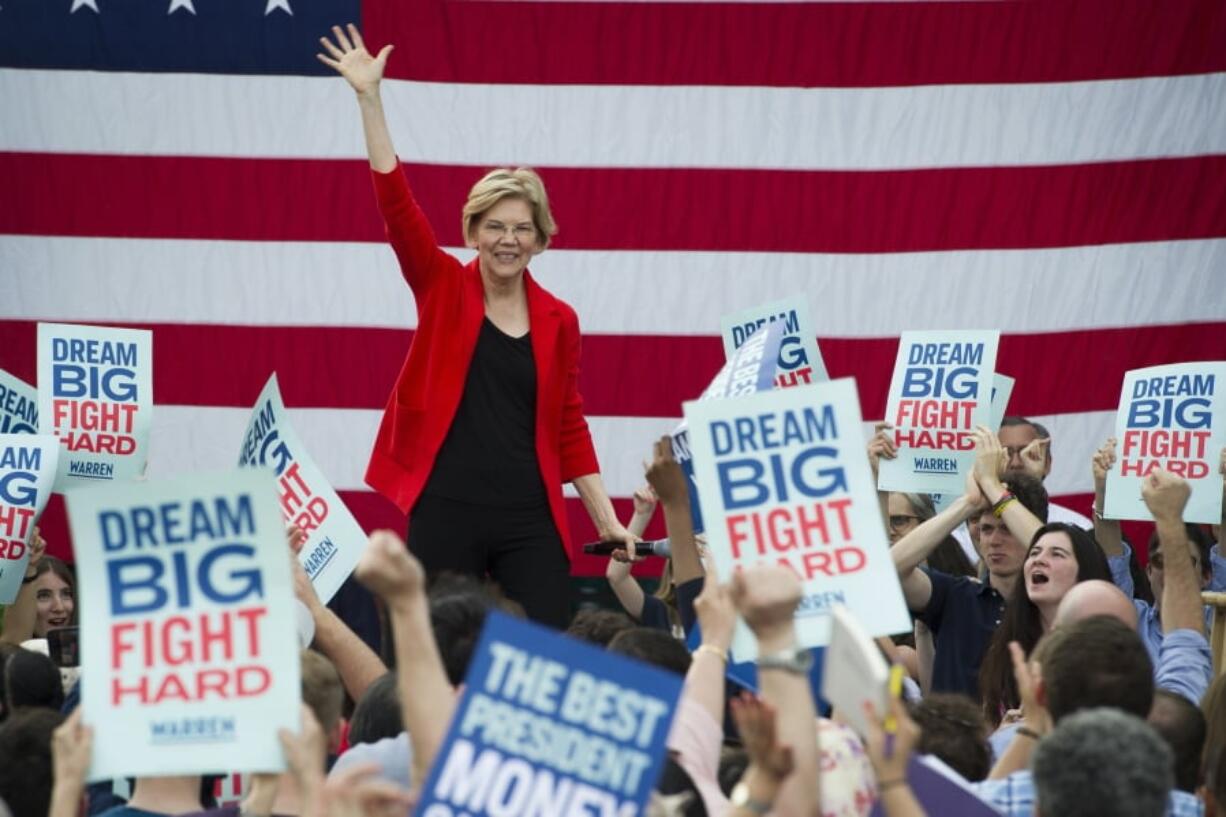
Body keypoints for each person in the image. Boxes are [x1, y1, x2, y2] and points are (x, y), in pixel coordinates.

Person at [318, 24, 634, 628]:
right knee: (428, 649)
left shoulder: (559, 319)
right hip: (446, 504)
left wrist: (606, 521)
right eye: (494, 226)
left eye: (521, 228)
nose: (507, 240)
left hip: (529, 514)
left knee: (546, 644)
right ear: (472, 233)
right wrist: (369, 98)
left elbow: (568, 424)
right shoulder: (441, 285)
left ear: (541, 240)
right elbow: (397, 208)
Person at [977, 522, 1111, 725]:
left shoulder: (1107, 652)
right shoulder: (1005, 649)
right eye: (1034, 553)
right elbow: (988, 738)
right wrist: (1004, 734)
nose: (1039, 560)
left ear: (1084, 572)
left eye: (1056, 554)